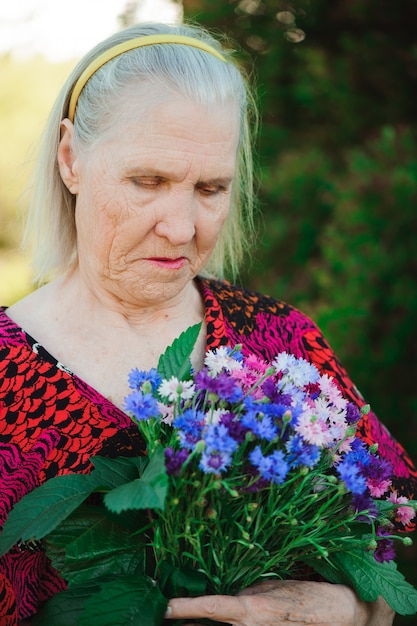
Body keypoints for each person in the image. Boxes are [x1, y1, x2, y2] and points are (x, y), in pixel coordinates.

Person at [0, 20, 415, 626]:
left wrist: (353, 610)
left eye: (211, 188)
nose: (182, 227)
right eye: (150, 181)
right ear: (71, 159)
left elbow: (393, 546)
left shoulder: (281, 343)